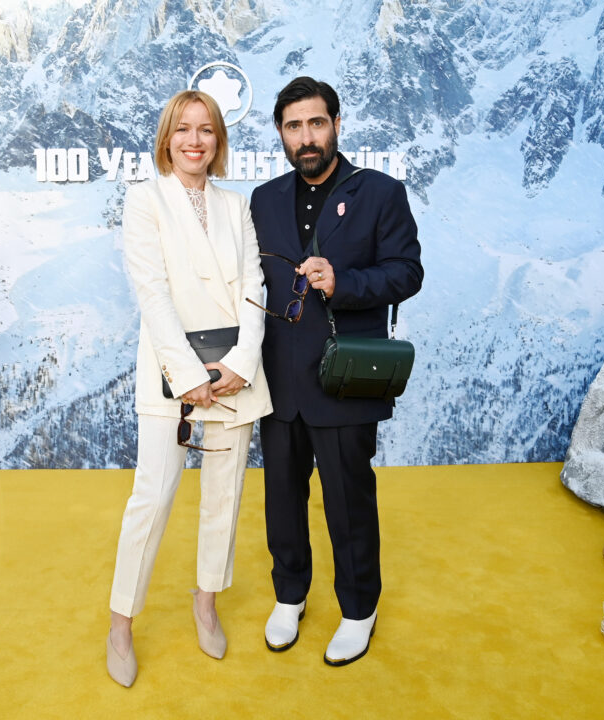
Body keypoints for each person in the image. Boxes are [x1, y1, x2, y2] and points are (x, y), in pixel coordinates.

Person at [249, 76, 423, 666]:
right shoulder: (263, 199)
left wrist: (342, 283)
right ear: (281, 133)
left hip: (346, 375)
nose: (307, 137)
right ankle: (289, 596)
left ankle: (358, 609)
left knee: (348, 498)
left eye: (316, 123)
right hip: (279, 378)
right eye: (294, 126)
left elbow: (407, 272)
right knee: (281, 496)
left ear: (337, 125)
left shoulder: (380, 193)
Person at [106, 90, 273, 687]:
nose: (194, 140)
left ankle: (206, 601)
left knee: (224, 497)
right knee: (152, 499)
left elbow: (255, 287)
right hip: (171, 376)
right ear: (167, 138)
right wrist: (190, 377)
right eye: (183, 129)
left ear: (218, 140)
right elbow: (151, 294)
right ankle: (121, 622)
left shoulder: (236, 205)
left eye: (206, 129)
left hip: (234, 373)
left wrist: (241, 363)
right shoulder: (144, 199)